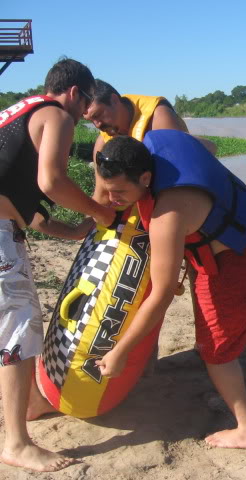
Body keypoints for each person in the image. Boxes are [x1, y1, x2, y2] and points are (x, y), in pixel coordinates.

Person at [93, 130, 246, 450]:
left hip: (232, 262)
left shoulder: (167, 215)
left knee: (215, 352)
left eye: (120, 191)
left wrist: (120, 352)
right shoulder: (159, 145)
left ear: (146, 177)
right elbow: (210, 145)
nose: (112, 200)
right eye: (108, 191)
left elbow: (161, 295)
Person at [0, 58, 115, 472]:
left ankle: (29, 401)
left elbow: (27, 205)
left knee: (14, 318)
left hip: (4, 224)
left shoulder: (19, 112)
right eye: (86, 106)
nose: (87, 117)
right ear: (74, 93)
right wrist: (101, 215)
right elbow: (51, 181)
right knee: (17, 325)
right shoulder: (56, 116)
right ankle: (15, 442)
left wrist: (74, 229)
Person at [83, 79, 216, 204]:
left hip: (175, 193)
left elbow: (175, 181)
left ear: (114, 100)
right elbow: (101, 195)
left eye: (98, 115)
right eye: (91, 120)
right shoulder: (102, 142)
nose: (97, 125)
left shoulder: (158, 117)